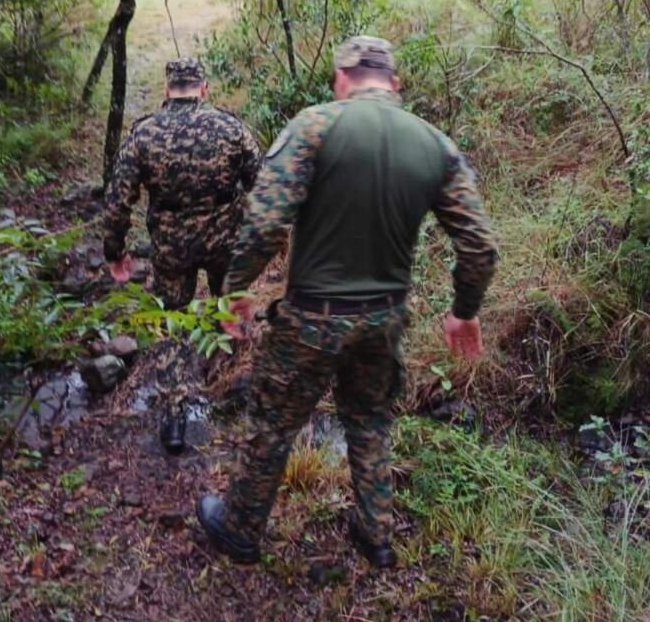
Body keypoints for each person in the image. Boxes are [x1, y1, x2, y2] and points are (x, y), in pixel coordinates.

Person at [196, 36, 498, 566]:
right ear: (395, 84)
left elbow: (266, 222)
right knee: (370, 419)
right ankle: (375, 534)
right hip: (384, 320)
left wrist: (236, 289)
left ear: (341, 78)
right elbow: (479, 245)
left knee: (274, 422)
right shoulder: (435, 145)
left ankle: (240, 528)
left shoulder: (315, 125)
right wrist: (464, 311)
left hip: (312, 318)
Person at [103, 57, 261, 454]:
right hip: (225, 242)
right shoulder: (232, 129)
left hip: (172, 248)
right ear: (204, 88)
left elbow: (118, 201)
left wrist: (114, 251)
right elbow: (262, 186)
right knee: (230, 310)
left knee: (173, 322)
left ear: (166, 88)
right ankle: (235, 397)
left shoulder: (144, 134)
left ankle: (174, 418)